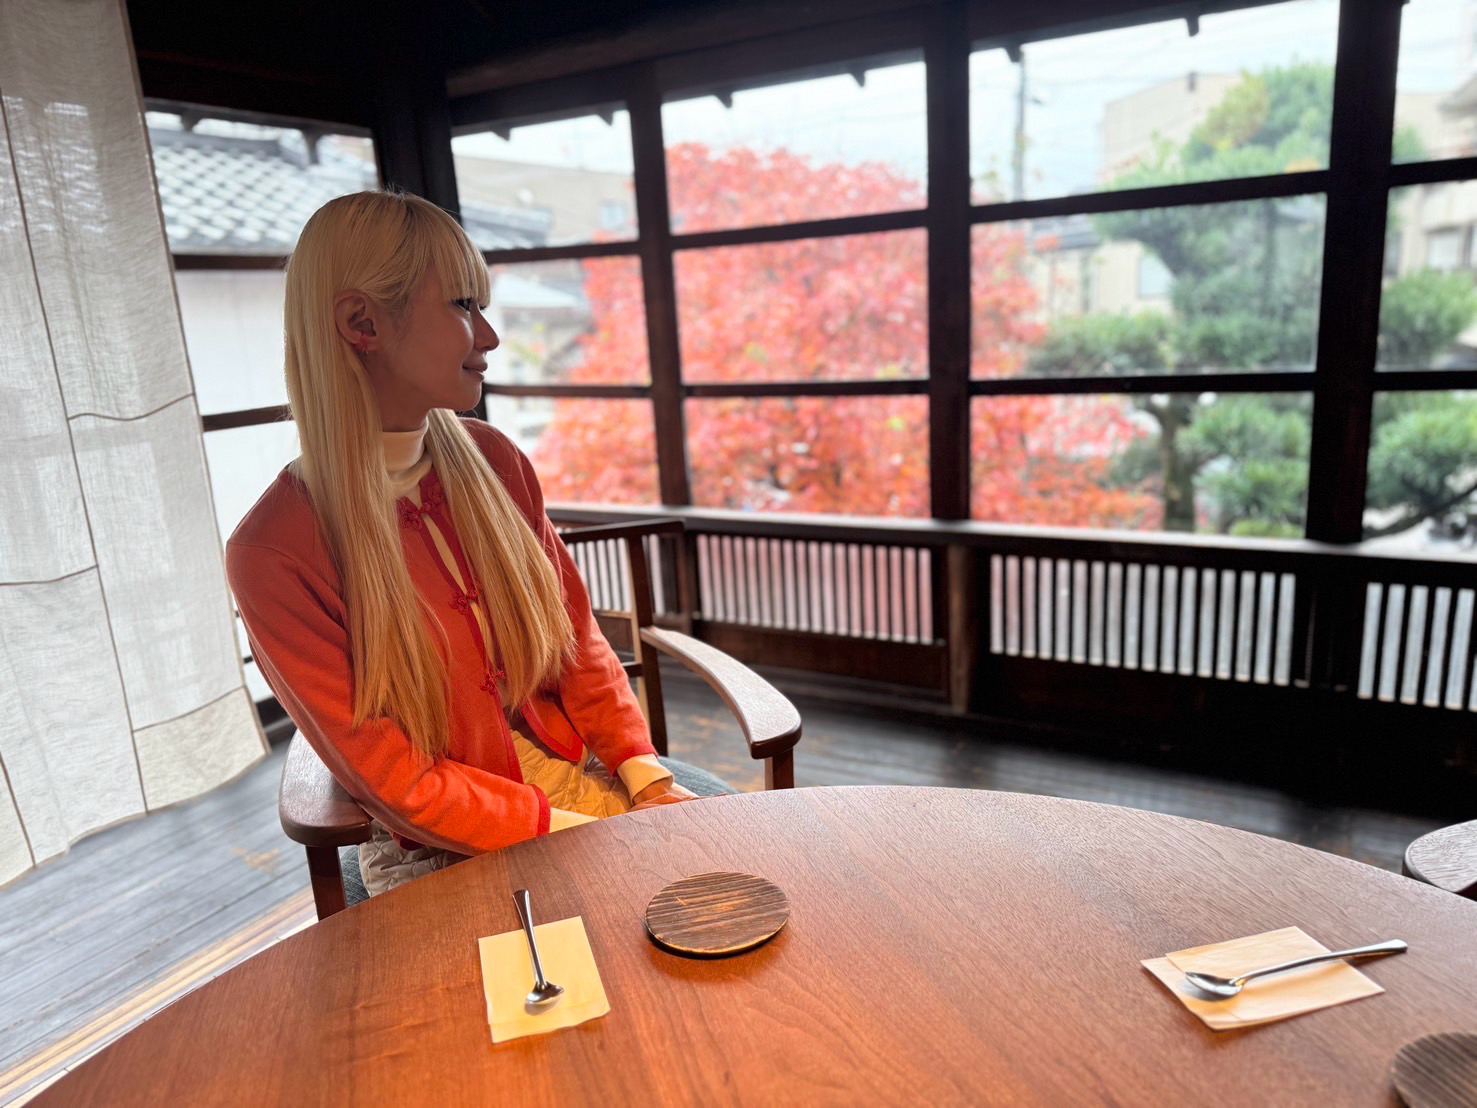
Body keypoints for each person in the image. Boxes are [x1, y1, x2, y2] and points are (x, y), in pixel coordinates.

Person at [226, 190, 696, 896]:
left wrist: (641, 770)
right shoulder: (275, 552)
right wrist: (583, 831)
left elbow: (575, 638)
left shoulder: (495, 460)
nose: (490, 337)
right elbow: (396, 782)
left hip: (583, 773)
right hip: (440, 844)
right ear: (361, 323)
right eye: (462, 306)